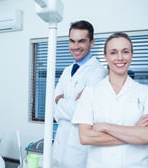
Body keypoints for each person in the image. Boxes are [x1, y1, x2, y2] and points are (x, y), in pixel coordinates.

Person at [72, 32, 148, 168]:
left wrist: (105, 126)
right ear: (105, 56)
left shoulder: (147, 93)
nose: (120, 58)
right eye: (113, 52)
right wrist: (135, 132)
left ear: (132, 55)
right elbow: (86, 137)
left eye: (125, 52)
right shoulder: (90, 92)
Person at [52, 20, 107, 168]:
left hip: (78, 151)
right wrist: (59, 102)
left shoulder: (98, 72)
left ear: (92, 42)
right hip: (59, 144)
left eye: (81, 41)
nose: (75, 47)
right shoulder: (66, 70)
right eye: (72, 41)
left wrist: (59, 100)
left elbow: (83, 111)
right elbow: (52, 108)